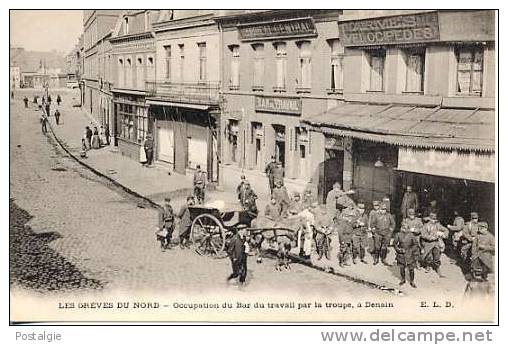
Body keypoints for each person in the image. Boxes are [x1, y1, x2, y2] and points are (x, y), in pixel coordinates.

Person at [393, 219, 420, 288]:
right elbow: (395, 244)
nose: (404, 229)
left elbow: (416, 244)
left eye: (406, 227)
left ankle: (412, 281)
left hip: (410, 254)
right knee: (402, 268)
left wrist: (410, 250)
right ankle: (403, 279)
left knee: (411, 269)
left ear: (408, 228)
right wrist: (398, 250)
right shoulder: (398, 234)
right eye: (403, 227)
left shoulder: (411, 235)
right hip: (401, 254)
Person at [420, 212, 449, 277]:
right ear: (429, 219)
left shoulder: (438, 225)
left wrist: (444, 235)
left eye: (435, 219)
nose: (434, 221)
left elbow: (446, 230)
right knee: (428, 256)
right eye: (432, 219)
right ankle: (428, 266)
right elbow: (423, 234)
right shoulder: (426, 225)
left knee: (437, 256)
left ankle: (437, 268)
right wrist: (430, 237)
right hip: (428, 243)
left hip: (436, 243)